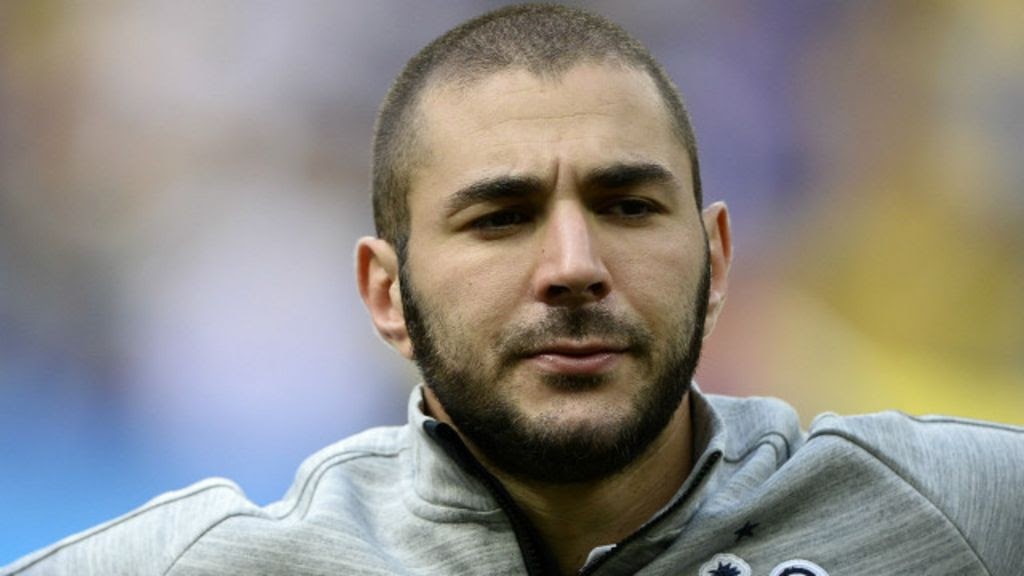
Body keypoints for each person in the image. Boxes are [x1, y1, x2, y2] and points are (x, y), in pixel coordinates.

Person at [4, 4, 1022, 576]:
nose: (573, 264)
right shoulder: (212, 567)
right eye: (500, 217)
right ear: (386, 294)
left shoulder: (952, 514)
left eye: (628, 206)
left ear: (717, 262)